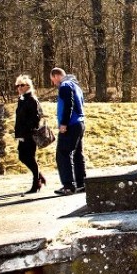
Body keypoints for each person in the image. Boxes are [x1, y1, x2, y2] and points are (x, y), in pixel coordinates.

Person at [50, 67, 86, 195]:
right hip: (80, 124)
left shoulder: (65, 86)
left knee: (63, 154)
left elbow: (69, 105)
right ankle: (82, 183)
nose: (54, 83)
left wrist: (64, 123)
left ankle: (68, 185)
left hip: (71, 124)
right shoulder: (76, 86)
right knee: (77, 154)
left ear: (56, 76)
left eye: (53, 80)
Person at [13, 75, 47, 194]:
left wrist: (27, 130)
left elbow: (35, 118)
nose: (19, 87)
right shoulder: (22, 99)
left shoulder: (31, 99)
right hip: (23, 134)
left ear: (28, 86)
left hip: (29, 134)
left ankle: (36, 182)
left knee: (29, 157)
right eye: (18, 85)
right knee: (23, 156)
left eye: (22, 85)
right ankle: (39, 177)